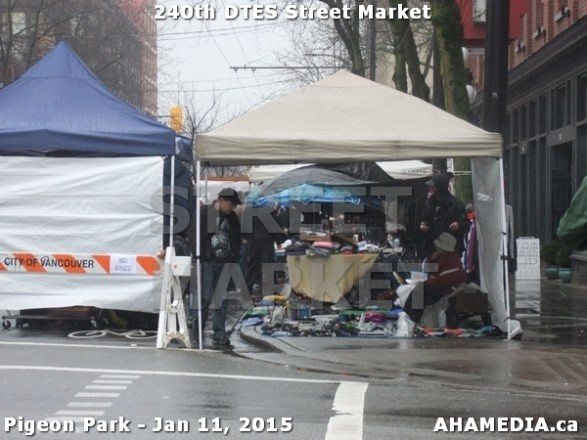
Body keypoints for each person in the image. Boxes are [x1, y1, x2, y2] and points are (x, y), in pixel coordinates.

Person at [193, 187, 242, 347]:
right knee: (205, 298)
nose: (232, 207)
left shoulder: (232, 217)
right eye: (231, 204)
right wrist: (199, 256)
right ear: (221, 200)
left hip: (225, 262)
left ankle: (219, 333)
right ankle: (197, 330)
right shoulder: (204, 213)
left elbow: (236, 239)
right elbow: (194, 235)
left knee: (222, 300)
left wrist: (234, 258)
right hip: (208, 262)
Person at [400, 232, 467, 324]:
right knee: (419, 290)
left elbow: (442, 281)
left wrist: (425, 283)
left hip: (450, 290)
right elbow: (432, 273)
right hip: (443, 287)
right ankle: (409, 316)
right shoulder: (442, 257)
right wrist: (432, 259)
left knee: (420, 290)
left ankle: (412, 319)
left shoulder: (453, 261)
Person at [419, 173, 469, 260]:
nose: (430, 189)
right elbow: (424, 219)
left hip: (451, 251)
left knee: (450, 269)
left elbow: (466, 224)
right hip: (432, 251)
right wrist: (423, 225)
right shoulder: (429, 203)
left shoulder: (455, 204)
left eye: (433, 187)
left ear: (440, 187)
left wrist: (459, 225)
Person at [243, 203, 286, 302]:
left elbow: (244, 225)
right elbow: (275, 226)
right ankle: (270, 293)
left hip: (253, 242)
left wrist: (245, 237)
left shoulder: (249, 209)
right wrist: (278, 241)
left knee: (252, 267)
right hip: (266, 242)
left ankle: (246, 292)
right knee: (268, 267)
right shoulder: (268, 209)